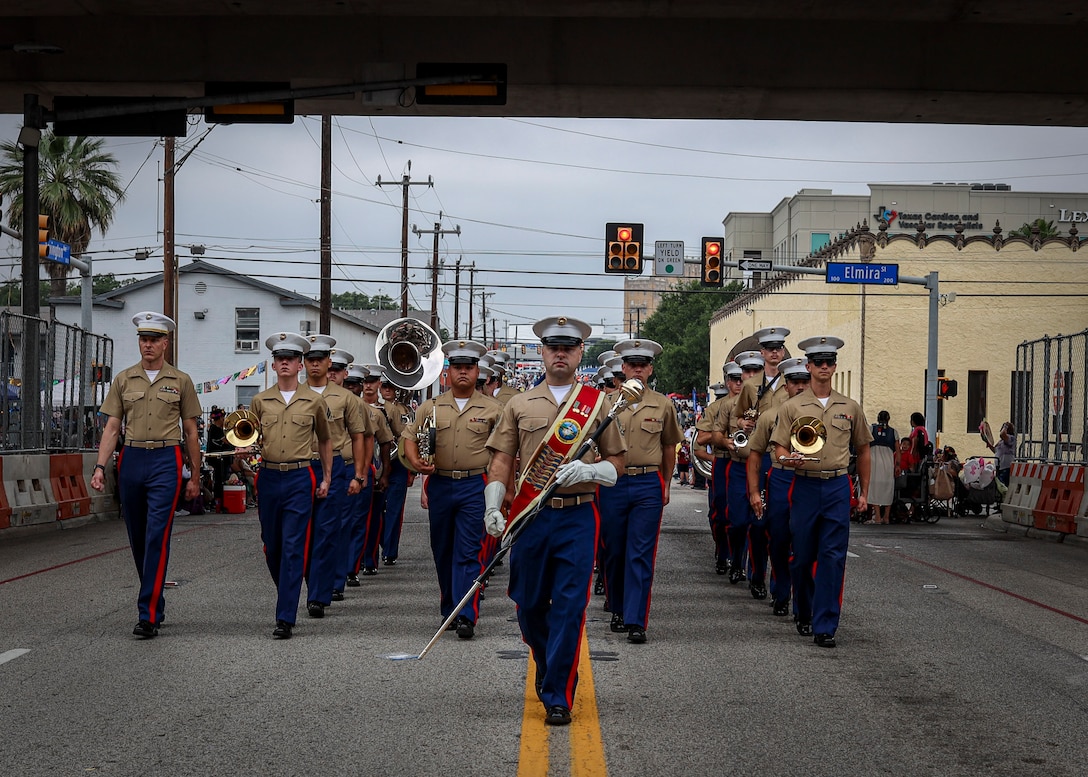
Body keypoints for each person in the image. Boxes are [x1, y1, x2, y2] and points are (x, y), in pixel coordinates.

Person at [484, 315, 626, 727]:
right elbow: (500, 462)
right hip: (531, 517)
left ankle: (559, 693)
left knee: (569, 605)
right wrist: (494, 506)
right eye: (553, 347)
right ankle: (549, 664)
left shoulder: (597, 405)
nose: (560, 353)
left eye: (568, 347)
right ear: (542, 353)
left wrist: (591, 472)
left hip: (579, 515)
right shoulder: (518, 404)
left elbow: (618, 462)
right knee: (528, 605)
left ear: (580, 352)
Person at [90, 312, 202, 639]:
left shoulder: (181, 381)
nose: (148, 344)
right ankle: (155, 597)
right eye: (143, 339)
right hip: (133, 458)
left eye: (154, 339)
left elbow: (192, 432)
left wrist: (194, 476)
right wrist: (100, 466)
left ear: (166, 343)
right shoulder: (124, 379)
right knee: (138, 537)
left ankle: (148, 614)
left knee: (157, 535)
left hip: (167, 458)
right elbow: (112, 427)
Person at [771, 335, 871, 649]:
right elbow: (778, 447)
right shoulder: (793, 406)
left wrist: (864, 492)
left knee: (833, 557)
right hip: (804, 484)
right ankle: (803, 609)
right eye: (818, 362)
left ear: (834, 366)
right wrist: (788, 458)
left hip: (837, 485)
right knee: (801, 557)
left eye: (828, 362)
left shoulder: (849, 406)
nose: (823, 367)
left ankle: (825, 623)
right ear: (809, 366)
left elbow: (864, 450)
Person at [403, 339, 502, 639]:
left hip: (475, 485)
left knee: (468, 551)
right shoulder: (430, 407)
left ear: (477, 372)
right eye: (457, 367)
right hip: (442, 484)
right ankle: (450, 606)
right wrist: (416, 462)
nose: (462, 372)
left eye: (468, 367)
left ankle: (466, 614)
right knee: (442, 549)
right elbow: (409, 438)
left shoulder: (493, 409)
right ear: (447, 372)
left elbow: (503, 452)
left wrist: (502, 490)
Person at [597, 338, 682, 643]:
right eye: (631, 364)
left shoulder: (662, 404)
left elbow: (669, 446)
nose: (636, 370)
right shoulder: (605, 404)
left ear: (650, 369)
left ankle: (635, 619)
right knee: (614, 550)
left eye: (642, 365)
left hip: (647, 482)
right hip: (612, 482)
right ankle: (618, 606)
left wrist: (667, 483)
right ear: (622, 368)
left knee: (640, 553)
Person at [249, 332, 332, 639]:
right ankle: (288, 588)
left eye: (291, 359)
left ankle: (285, 616)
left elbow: (325, 440)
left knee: (295, 546)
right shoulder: (260, 401)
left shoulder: (314, 400)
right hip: (269, 476)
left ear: (299, 365)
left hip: (300, 476)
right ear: (273, 366)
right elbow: (251, 437)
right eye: (279, 359)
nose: (284, 363)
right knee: (273, 547)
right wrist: (247, 447)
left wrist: (325, 477)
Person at [301, 335, 371, 619]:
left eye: (321, 360)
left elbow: (358, 437)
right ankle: (311, 580)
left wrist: (358, 475)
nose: (315, 364)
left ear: (329, 363)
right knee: (296, 535)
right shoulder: (294, 394)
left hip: (335, 468)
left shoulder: (345, 398)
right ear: (303, 362)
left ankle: (318, 595)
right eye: (310, 359)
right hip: (299, 468)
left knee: (327, 532)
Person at [746, 355, 810, 617]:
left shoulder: (822, 413)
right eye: (795, 382)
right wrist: (753, 492)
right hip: (781, 477)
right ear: (786, 385)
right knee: (780, 539)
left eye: (805, 381)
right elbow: (754, 455)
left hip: (810, 478)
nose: (801, 387)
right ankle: (781, 591)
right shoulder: (770, 416)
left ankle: (804, 601)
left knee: (806, 544)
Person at [696, 356, 755, 575]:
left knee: (750, 516)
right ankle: (723, 553)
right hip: (724, 460)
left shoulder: (756, 403)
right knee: (721, 513)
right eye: (735, 379)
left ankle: (740, 559)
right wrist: (723, 438)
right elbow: (701, 439)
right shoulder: (717, 407)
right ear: (727, 381)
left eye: (742, 378)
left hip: (749, 461)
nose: (740, 383)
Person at [339, 362, 386, 592]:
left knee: (357, 522)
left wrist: (363, 471)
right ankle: (334, 569)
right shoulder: (327, 403)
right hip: (332, 467)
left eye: (354, 385)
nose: (351, 388)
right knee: (334, 522)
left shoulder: (367, 410)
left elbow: (371, 441)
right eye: (348, 384)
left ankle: (350, 569)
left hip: (355, 468)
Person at [378, 375, 413, 566]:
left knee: (394, 510)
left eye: (391, 385)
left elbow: (407, 436)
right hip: (377, 464)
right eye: (384, 385)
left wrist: (412, 470)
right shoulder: (369, 405)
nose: (388, 389)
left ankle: (390, 551)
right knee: (376, 511)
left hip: (397, 464)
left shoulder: (403, 410)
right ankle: (380, 543)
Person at [866, 410, 897, 525]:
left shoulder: (871, 429)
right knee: (887, 489)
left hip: (874, 462)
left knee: (874, 488)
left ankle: (878, 516)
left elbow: (864, 444)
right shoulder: (894, 432)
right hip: (888, 463)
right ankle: (886, 517)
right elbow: (897, 450)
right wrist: (897, 465)